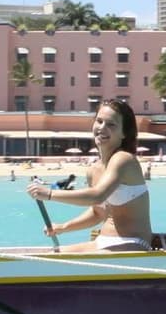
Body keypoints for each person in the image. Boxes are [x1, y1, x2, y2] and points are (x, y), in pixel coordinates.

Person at [25, 99, 155, 251]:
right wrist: (63, 227)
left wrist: (49, 194)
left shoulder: (124, 159)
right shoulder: (93, 170)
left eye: (111, 124)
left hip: (134, 243)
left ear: (124, 133)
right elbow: (98, 212)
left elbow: (97, 196)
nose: (102, 128)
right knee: (53, 254)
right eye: (99, 121)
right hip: (103, 241)